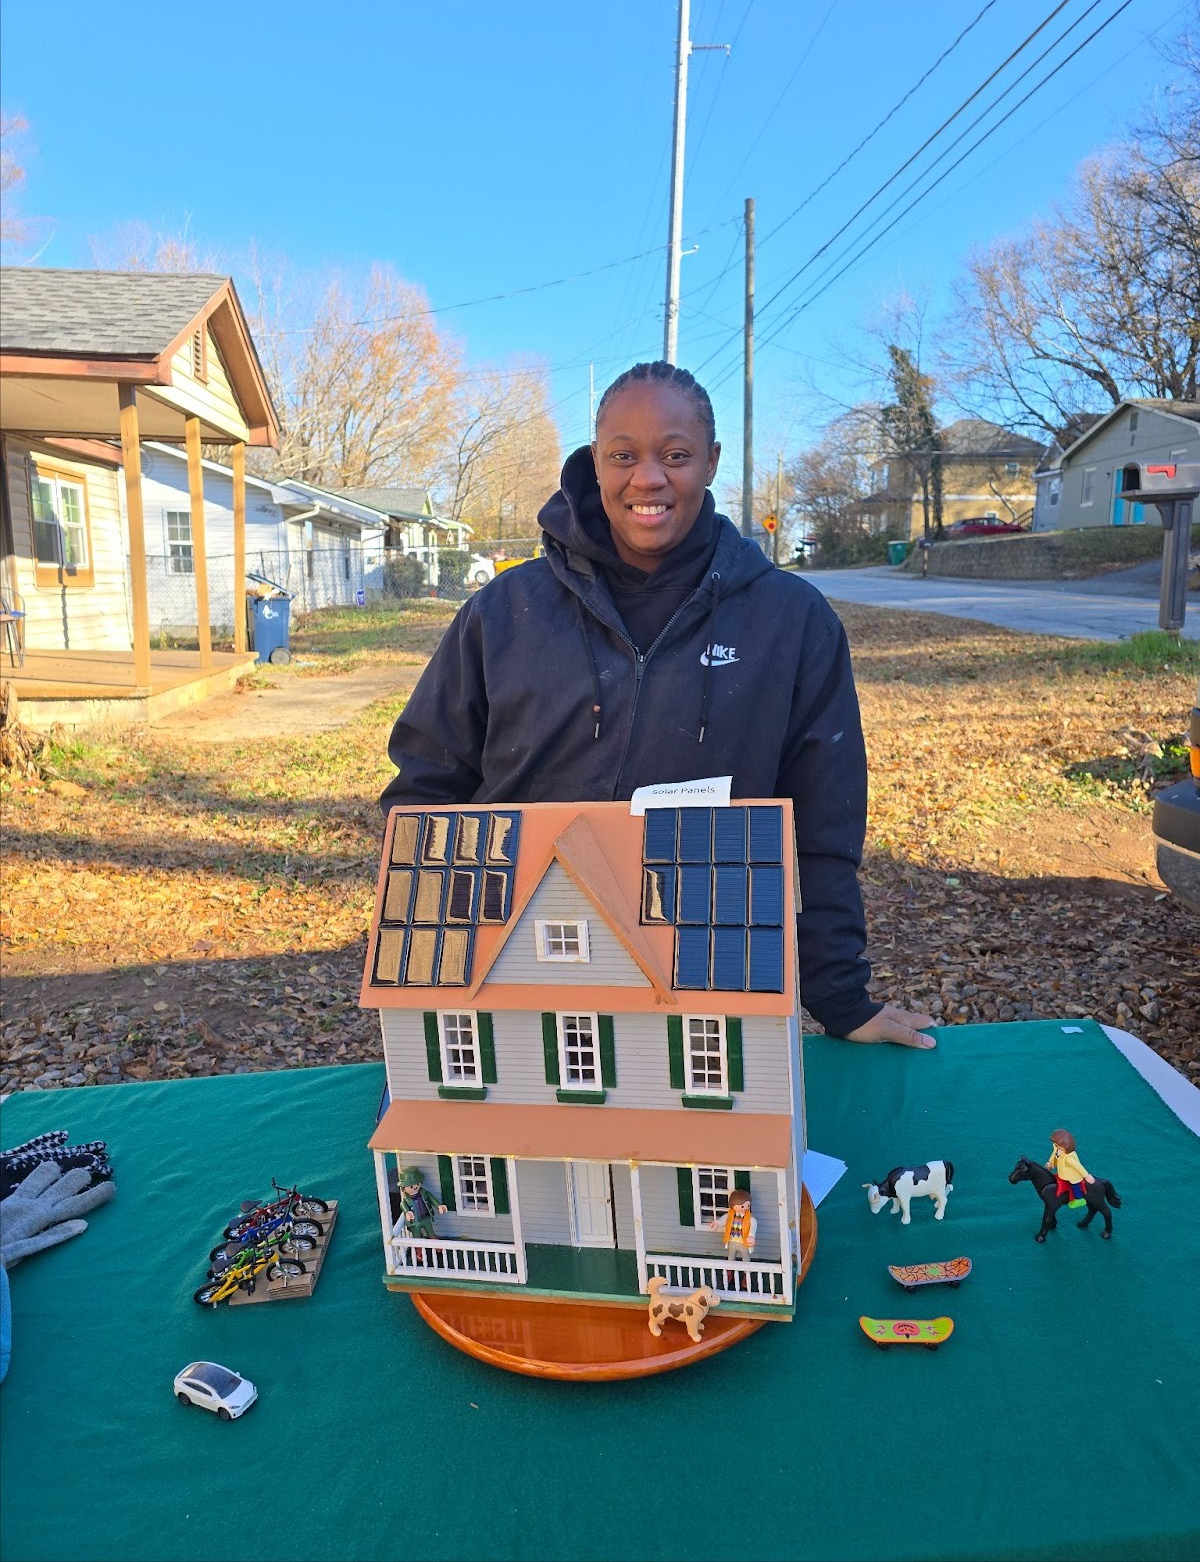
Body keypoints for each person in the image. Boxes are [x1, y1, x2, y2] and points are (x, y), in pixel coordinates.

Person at [382, 361, 935, 1049]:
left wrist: (840, 997)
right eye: (624, 456)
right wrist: (441, 968)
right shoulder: (504, 613)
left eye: (675, 455)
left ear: (711, 461)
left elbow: (823, 826)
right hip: (523, 964)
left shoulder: (792, 622)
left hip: (704, 974)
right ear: (594, 462)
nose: (648, 478)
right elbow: (425, 794)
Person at [1047, 1129, 1094, 1208]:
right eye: (1054, 1144)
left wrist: (1087, 1176)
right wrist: (1051, 1163)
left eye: (1056, 1145)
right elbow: (1054, 1156)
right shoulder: (1058, 1149)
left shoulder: (1069, 1158)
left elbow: (1078, 1167)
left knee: (1075, 1185)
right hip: (1063, 1173)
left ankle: (1079, 1199)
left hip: (1072, 1175)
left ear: (1065, 1145)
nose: (1055, 1146)